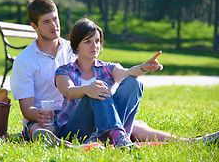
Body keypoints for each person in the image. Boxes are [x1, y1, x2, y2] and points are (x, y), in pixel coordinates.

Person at [10, 0, 219, 146]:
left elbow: (123, 73)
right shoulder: (26, 61)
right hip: (57, 119)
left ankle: (189, 142)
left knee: (135, 110)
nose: (54, 25)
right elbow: (29, 108)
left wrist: (143, 68)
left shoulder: (72, 48)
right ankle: (97, 138)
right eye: (46, 22)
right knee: (44, 129)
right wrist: (44, 116)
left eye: (55, 19)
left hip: (94, 110)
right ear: (34, 26)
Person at [54, 18, 162, 148]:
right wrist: (88, 89)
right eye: (88, 42)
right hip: (75, 131)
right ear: (77, 45)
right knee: (97, 88)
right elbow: (69, 91)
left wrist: (144, 67)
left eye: (97, 41)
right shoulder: (64, 70)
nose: (95, 46)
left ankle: (118, 138)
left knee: (134, 82)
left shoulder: (108, 68)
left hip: (105, 131)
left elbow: (126, 74)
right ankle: (118, 137)